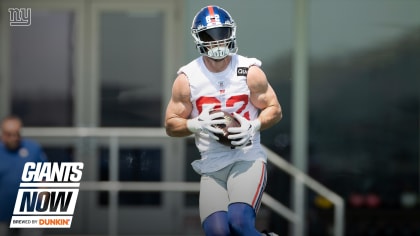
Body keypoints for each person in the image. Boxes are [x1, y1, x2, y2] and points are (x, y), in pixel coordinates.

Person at [165, 5, 282, 236]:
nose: (217, 42)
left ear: (232, 34)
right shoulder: (187, 78)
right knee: (218, 232)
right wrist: (194, 124)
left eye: (222, 34)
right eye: (210, 36)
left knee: (239, 224)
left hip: (246, 158)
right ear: (199, 39)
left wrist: (254, 125)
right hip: (211, 165)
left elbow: (275, 110)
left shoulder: (249, 70)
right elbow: (170, 124)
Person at [0, 115, 46, 236]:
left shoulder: (33, 149)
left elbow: (44, 177)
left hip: (30, 213)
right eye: (10, 134)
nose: (14, 138)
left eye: (17, 133)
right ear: (3, 134)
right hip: (3, 215)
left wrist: (42, 199)